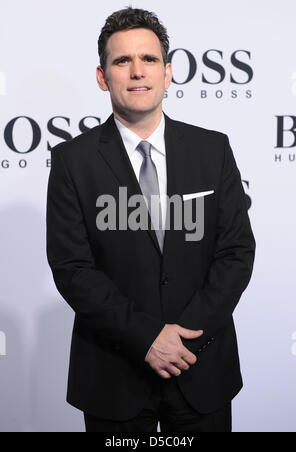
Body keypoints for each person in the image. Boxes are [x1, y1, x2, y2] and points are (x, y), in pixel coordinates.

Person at [46, 7, 256, 432]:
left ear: (169, 72)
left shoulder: (213, 150)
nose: (137, 71)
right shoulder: (72, 161)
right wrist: (147, 338)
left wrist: (181, 337)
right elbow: (73, 269)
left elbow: (235, 253)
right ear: (103, 76)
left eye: (149, 59)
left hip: (201, 367)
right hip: (114, 375)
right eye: (122, 61)